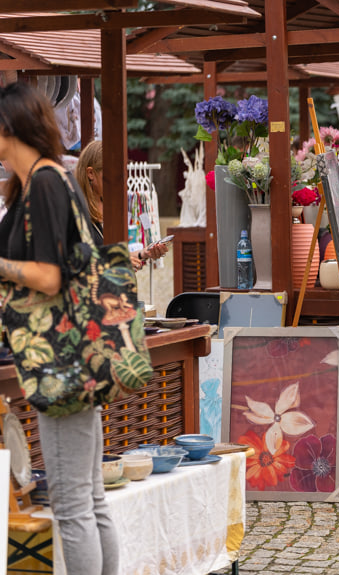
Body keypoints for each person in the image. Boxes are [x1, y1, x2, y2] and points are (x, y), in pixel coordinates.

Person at [0, 82, 119, 574]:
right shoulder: (44, 181)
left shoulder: (47, 183)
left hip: (59, 362)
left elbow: (48, 275)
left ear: (12, 129)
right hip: (73, 357)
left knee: (73, 509)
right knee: (90, 501)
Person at [75, 140, 168, 270]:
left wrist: (143, 253)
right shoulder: (77, 212)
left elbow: (109, 256)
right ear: (91, 174)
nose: (118, 182)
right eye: (111, 175)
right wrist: (117, 264)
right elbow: (80, 263)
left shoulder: (109, 208)